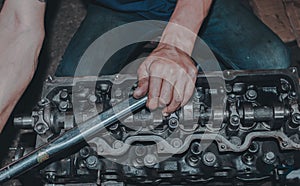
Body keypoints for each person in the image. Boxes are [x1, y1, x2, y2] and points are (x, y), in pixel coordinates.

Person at [0, 0, 290, 132]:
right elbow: (19, 26)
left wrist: (176, 44)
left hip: (196, 4)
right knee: (72, 99)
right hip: (117, 8)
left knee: (273, 65)